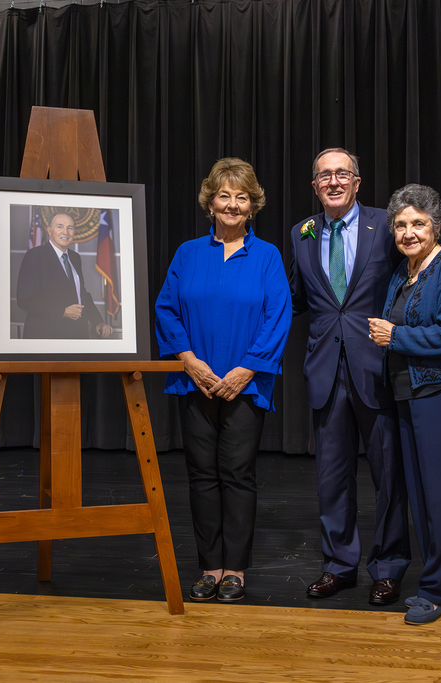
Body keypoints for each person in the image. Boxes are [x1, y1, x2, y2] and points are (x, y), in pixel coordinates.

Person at [155, 157, 291, 603]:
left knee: (237, 474)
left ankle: (235, 570)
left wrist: (247, 368)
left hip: (246, 384)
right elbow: (166, 309)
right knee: (201, 475)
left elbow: (278, 316)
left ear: (253, 206)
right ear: (210, 202)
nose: (232, 204)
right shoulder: (187, 253)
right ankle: (209, 567)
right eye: (224, 196)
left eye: (242, 197)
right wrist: (189, 361)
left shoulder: (267, 256)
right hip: (194, 381)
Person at [287, 148, 411, 606]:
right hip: (325, 371)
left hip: (376, 368)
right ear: (315, 186)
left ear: (357, 182)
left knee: (388, 476)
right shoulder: (301, 232)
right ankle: (339, 565)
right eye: (325, 176)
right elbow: (297, 298)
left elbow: (413, 277)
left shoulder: (387, 224)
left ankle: (389, 567)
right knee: (331, 477)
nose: (334, 182)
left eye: (343, 174)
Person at [367, 184, 441, 625]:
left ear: (436, 226)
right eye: (400, 225)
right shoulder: (404, 270)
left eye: (418, 223)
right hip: (410, 393)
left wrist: (396, 336)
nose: (409, 232)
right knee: (425, 497)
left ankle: (435, 592)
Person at [16, 211, 113, 339]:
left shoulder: (75, 257)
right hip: (46, 336)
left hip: (77, 335)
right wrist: (62, 312)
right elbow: (25, 300)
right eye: (60, 226)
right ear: (49, 230)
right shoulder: (35, 256)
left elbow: (81, 294)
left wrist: (98, 322)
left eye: (70, 228)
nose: (65, 232)